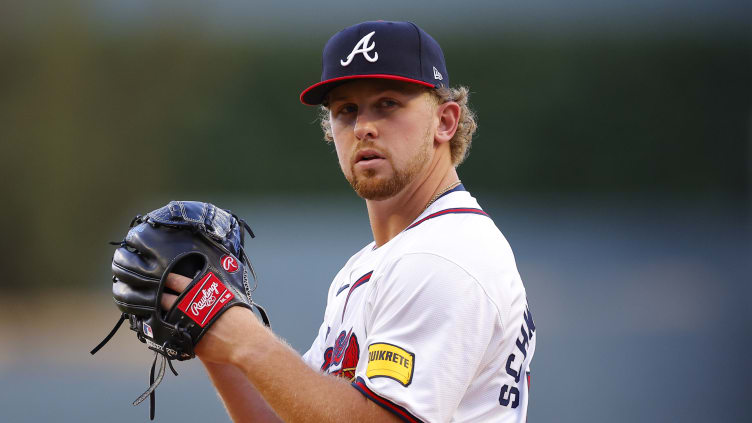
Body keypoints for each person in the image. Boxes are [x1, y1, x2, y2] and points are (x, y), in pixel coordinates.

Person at [162, 20, 536, 422]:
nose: (363, 127)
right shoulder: (375, 262)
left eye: (388, 103)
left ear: (445, 122)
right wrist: (212, 334)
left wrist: (248, 341)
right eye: (346, 110)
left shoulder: (443, 257)